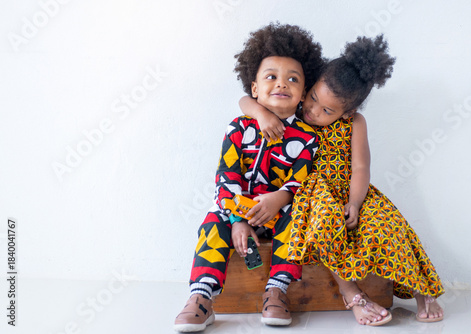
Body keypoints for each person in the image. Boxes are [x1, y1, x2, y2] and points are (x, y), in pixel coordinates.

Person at [240, 34, 444, 326]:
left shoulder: (355, 123)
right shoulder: (294, 109)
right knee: (325, 225)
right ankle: (353, 294)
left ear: (348, 112)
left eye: (327, 111)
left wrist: (356, 202)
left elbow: (361, 168)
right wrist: (260, 113)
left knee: (388, 224)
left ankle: (420, 289)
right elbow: (244, 99)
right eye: (312, 98)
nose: (313, 111)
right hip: (311, 192)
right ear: (309, 87)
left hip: (350, 191)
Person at [173, 23, 324, 332]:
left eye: (292, 79)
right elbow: (225, 179)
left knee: (299, 216)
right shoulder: (238, 129)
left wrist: (279, 197)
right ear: (254, 89)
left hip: (280, 212)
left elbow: (301, 180)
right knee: (212, 222)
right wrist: (237, 220)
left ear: (302, 94)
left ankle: (277, 291)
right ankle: (201, 297)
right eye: (271, 77)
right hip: (237, 212)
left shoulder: (308, 137)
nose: (282, 84)